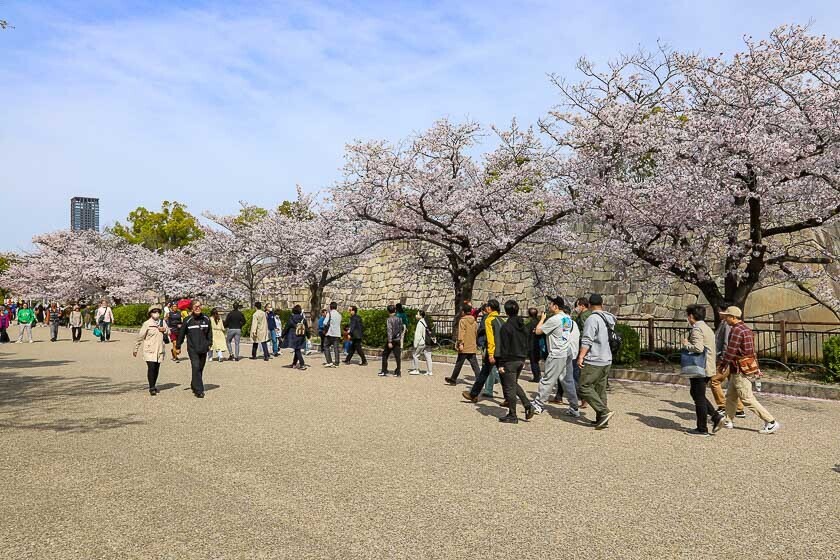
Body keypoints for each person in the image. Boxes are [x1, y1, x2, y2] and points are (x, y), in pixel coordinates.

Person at [717, 307, 780, 434]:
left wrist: (722, 365)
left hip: (739, 368)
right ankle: (728, 420)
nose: (725, 318)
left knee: (746, 398)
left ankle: (771, 421)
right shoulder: (746, 329)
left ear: (732, 317)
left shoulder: (736, 330)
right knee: (731, 396)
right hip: (745, 366)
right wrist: (756, 367)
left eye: (727, 316)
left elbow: (731, 350)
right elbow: (752, 352)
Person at [532, 297, 580, 417]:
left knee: (548, 379)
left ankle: (538, 404)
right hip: (567, 352)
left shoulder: (554, 319)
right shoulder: (567, 318)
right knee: (567, 380)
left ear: (556, 306)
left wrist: (542, 319)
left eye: (551, 304)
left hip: (557, 353)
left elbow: (538, 331)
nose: (549, 306)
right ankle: (574, 407)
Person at [681, 304, 723, 436]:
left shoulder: (697, 329)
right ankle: (716, 417)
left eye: (688, 315)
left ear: (691, 316)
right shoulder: (706, 328)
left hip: (700, 367)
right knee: (696, 393)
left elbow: (698, 348)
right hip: (708, 366)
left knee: (698, 397)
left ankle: (702, 428)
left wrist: (686, 344)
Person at [577, 294, 616, 429]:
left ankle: (604, 412)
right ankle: (602, 419)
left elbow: (587, 339)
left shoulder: (592, 319)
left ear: (589, 304)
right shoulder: (608, 317)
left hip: (595, 358)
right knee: (600, 389)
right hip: (607, 357)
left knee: (584, 386)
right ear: (601, 303)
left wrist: (581, 356)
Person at [496, 300, 536, 423]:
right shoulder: (523, 326)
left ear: (506, 311)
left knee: (509, 388)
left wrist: (501, 363)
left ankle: (512, 414)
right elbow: (527, 342)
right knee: (513, 384)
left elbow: (504, 347)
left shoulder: (506, 327)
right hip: (521, 358)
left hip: (510, 359)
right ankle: (528, 405)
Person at [462, 300, 503, 403]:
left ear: (490, 308)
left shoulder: (489, 320)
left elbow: (490, 338)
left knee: (486, 373)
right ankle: (474, 394)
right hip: (501, 351)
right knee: (492, 373)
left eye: (488, 306)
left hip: (493, 351)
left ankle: (523, 402)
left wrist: (490, 353)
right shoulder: (501, 320)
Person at [711, 303, 745, 418]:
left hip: (726, 359)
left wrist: (722, 359)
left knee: (714, 381)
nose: (720, 314)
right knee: (733, 384)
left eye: (722, 312)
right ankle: (739, 408)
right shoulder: (726, 324)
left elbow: (726, 343)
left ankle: (722, 405)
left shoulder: (727, 325)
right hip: (731, 359)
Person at [177, 301, 212, 398]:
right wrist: (178, 346)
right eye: (195, 306)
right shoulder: (188, 320)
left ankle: (194, 384)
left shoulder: (206, 319)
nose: (198, 308)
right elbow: (181, 334)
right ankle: (199, 390)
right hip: (193, 348)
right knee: (195, 366)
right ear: (192, 308)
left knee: (200, 368)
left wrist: (209, 343)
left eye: (199, 306)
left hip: (203, 348)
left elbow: (209, 332)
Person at [133, 305, 167, 396]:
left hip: (159, 349)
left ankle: (154, 384)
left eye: (158, 312)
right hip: (149, 349)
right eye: (154, 312)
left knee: (156, 368)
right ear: (150, 313)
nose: (156, 314)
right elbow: (140, 337)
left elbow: (169, 332)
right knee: (151, 368)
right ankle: (151, 387)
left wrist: (164, 330)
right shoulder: (147, 324)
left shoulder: (162, 322)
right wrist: (136, 349)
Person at [444, 304, 480, 385]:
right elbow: (475, 333)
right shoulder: (474, 321)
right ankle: (479, 380)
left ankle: (453, 379)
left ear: (463, 311)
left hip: (464, 346)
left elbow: (461, 333)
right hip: (472, 345)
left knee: (459, 364)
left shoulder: (462, 321)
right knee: (475, 365)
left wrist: (460, 343)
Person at [379, 305, 404, 377]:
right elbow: (401, 328)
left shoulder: (389, 320)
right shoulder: (399, 319)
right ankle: (398, 371)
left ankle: (384, 370)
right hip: (398, 339)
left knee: (385, 355)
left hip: (392, 340)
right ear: (395, 311)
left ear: (388, 311)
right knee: (397, 356)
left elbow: (389, 330)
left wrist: (389, 341)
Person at [282, 305, 309, 370]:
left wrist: (282, 335)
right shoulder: (303, 319)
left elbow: (287, 327)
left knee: (297, 350)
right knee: (297, 349)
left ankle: (302, 364)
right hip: (301, 336)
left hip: (294, 336)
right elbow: (306, 328)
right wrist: (308, 335)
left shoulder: (291, 318)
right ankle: (294, 363)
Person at [409, 310, 434, 376]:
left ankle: (416, 369)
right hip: (427, 341)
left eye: (417, 314)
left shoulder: (420, 323)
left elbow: (418, 335)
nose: (416, 315)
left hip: (421, 342)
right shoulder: (426, 321)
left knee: (415, 355)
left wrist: (415, 344)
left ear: (420, 316)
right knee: (428, 356)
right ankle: (430, 371)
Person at [323, 302, 343, 368]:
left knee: (326, 346)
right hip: (337, 334)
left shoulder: (329, 314)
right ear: (336, 307)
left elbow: (325, 323)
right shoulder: (339, 315)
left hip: (330, 333)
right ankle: (336, 362)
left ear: (330, 307)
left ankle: (329, 361)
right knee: (336, 348)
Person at [526, 307, 543, 383]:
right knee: (536, 361)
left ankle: (536, 377)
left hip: (531, 345)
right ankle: (538, 375)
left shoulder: (529, 324)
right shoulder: (539, 322)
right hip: (539, 344)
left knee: (533, 362)